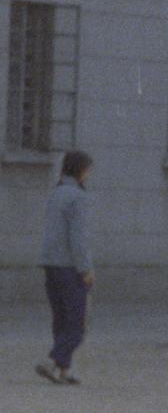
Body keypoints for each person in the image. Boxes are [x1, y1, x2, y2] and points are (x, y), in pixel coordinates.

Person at [35, 150, 93, 386]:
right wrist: (86, 268)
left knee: (60, 320)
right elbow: (78, 239)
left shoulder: (55, 193)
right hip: (70, 267)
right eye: (88, 170)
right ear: (81, 170)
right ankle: (54, 361)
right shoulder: (78, 197)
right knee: (78, 324)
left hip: (51, 264)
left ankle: (63, 369)